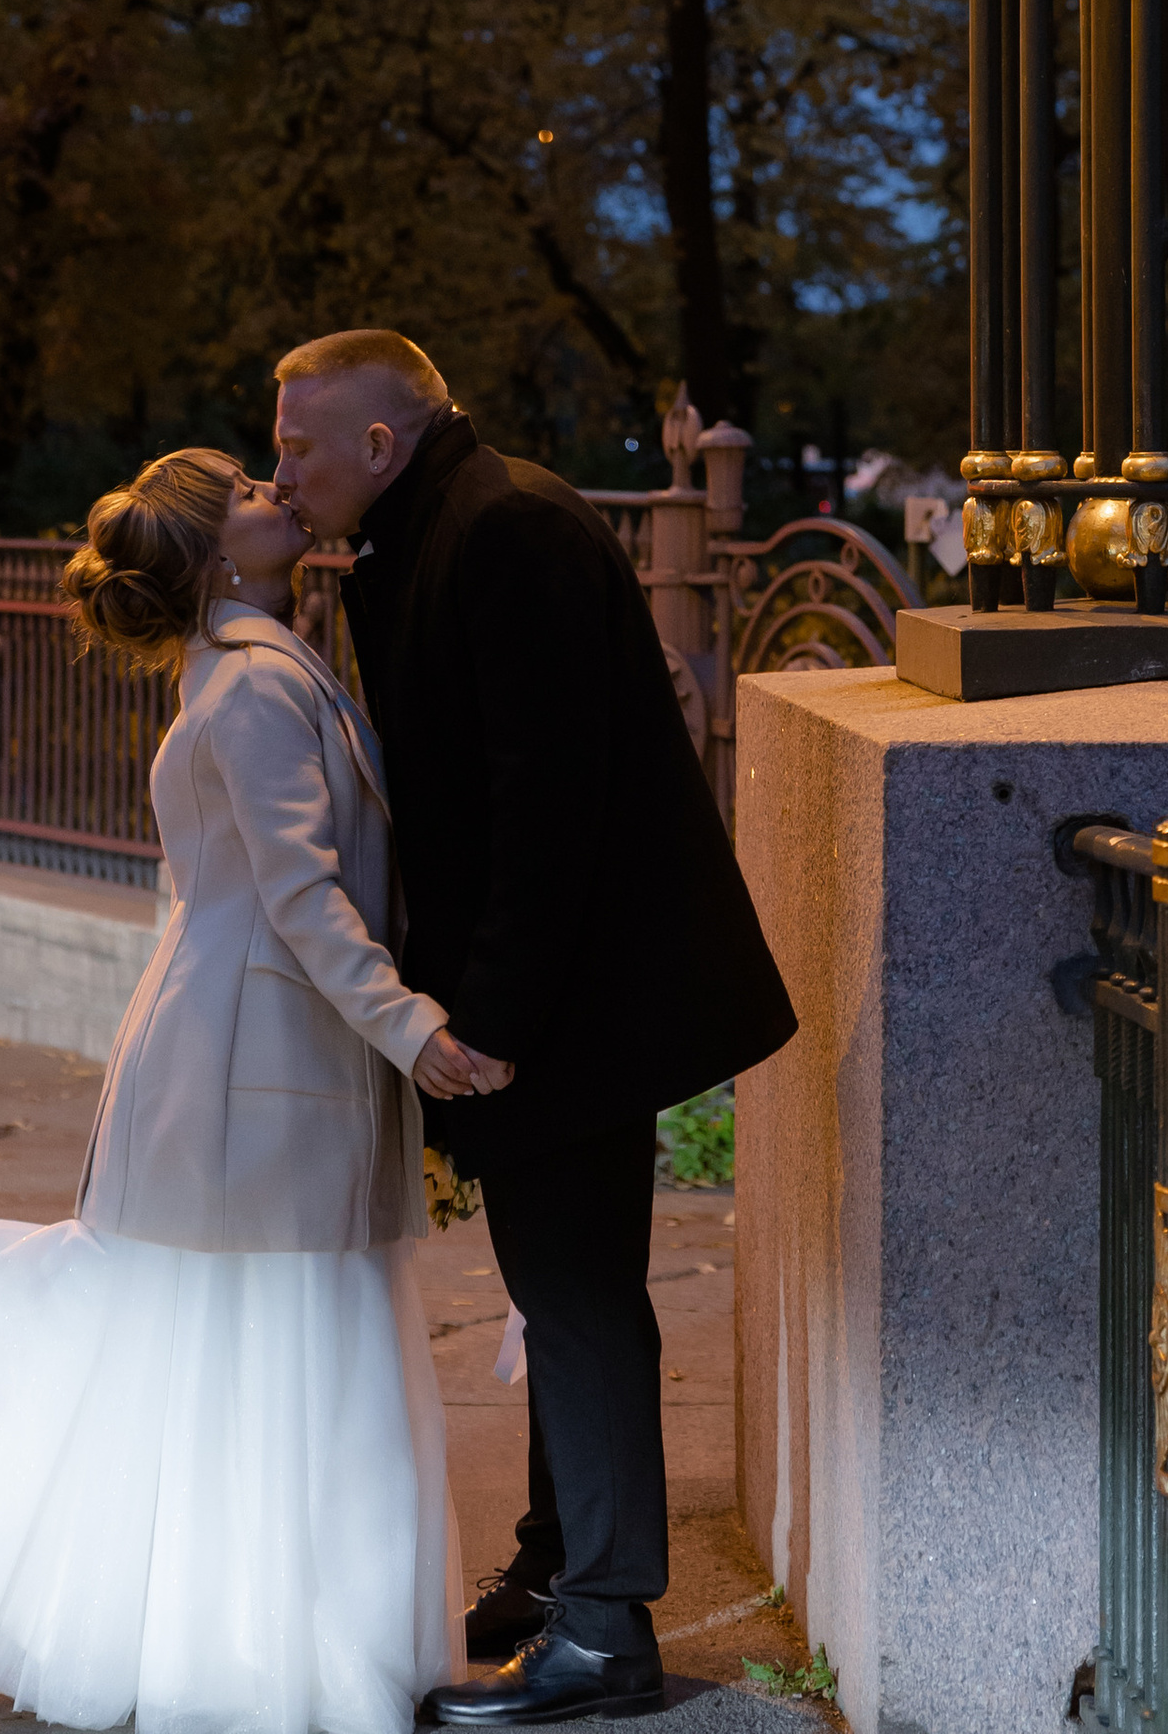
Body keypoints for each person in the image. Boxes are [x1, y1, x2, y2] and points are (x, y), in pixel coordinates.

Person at [0, 446, 508, 1734]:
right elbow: (300, 892)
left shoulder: (250, 666)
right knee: (268, 1349)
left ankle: (228, 1642)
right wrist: (410, 1026)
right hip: (254, 1063)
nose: (280, 488)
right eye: (252, 491)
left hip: (240, 1050)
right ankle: (261, 1656)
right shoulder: (258, 685)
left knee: (240, 1352)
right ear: (221, 555)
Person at [273, 329, 798, 1732]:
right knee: (555, 1292)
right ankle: (563, 1570)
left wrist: (485, 1026)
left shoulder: (498, 530)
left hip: (570, 1003)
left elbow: (546, 808)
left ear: (379, 445)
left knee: (574, 1304)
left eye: (298, 447)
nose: (283, 473)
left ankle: (610, 1631)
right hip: (562, 996)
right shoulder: (447, 522)